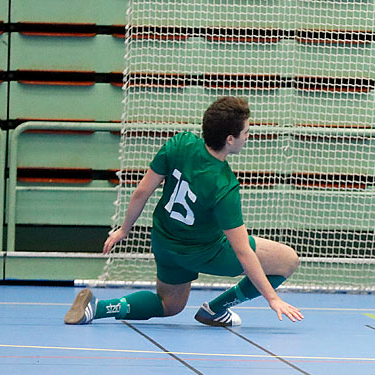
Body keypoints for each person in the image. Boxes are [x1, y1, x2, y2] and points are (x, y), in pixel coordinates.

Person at [65, 95, 302, 327]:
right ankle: (217, 308)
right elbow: (242, 251)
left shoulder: (180, 143)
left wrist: (123, 230)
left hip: (165, 243)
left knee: (169, 305)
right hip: (206, 251)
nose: (248, 137)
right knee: (287, 260)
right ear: (230, 139)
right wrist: (273, 298)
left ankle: (97, 308)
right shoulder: (223, 184)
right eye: (246, 132)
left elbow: (141, 193)